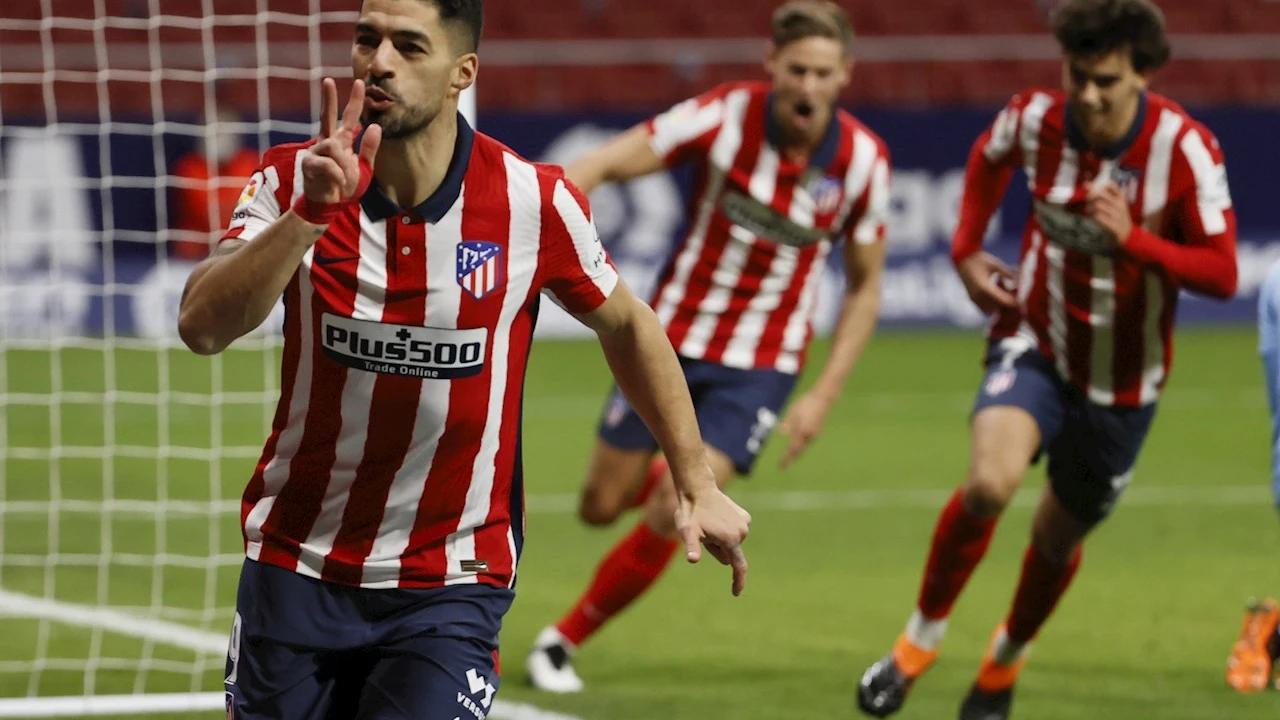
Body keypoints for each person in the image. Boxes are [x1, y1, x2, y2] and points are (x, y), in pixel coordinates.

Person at [176, 2, 751, 718]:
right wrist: (308, 217)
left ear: (461, 73)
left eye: (409, 46)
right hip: (296, 565)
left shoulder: (532, 202)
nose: (379, 61)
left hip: (451, 582)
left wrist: (694, 481)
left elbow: (629, 325)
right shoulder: (294, 177)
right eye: (367, 40)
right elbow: (201, 327)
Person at [855, 1, 1238, 718]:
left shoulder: (1185, 151)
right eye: (1078, 77)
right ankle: (916, 645)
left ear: (1143, 74)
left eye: (1107, 81)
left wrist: (1136, 242)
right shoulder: (1035, 118)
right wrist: (965, 248)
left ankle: (1002, 665)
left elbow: (1221, 272)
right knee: (988, 486)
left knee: (1056, 539)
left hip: (1125, 383)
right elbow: (986, 157)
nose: (1088, 96)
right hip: (1037, 337)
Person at [525, 0, 891, 694]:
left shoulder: (865, 164)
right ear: (771, 66)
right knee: (601, 505)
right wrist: (552, 216)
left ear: (845, 75)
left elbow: (866, 288)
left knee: (676, 503)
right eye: (796, 70)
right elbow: (605, 159)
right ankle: (659, 499)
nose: (807, 86)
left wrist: (823, 393)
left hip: (761, 365)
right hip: (672, 342)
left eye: (822, 73)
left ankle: (561, 641)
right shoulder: (725, 116)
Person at [170, 96, 260, 260]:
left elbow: (249, 212)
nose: (220, 138)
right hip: (195, 254)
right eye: (215, 132)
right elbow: (208, 215)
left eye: (224, 131)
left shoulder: (252, 163)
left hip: (242, 248)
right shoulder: (189, 167)